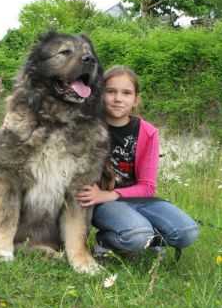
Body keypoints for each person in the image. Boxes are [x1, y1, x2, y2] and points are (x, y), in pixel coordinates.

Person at [76, 65, 199, 257]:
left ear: (135, 100)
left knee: (187, 232)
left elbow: (147, 187)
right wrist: (99, 195)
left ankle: (147, 239)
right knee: (136, 235)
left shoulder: (148, 132)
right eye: (110, 91)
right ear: (100, 95)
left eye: (126, 93)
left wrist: (112, 194)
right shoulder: (87, 127)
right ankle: (106, 242)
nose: (118, 98)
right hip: (103, 203)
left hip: (139, 199)